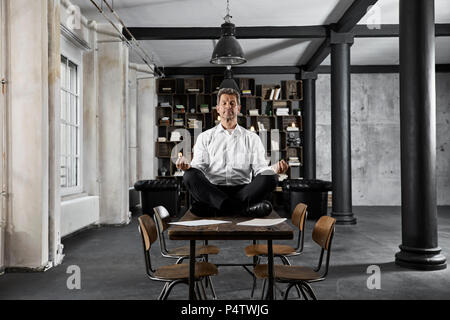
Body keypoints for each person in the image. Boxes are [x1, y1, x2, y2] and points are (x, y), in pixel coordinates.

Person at [176, 87, 289, 217]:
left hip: (245, 191)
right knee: (189, 175)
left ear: (238, 108)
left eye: (232, 103)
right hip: (214, 190)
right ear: (218, 108)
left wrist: (275, 168)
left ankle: (217, 209)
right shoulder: (205, 137)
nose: (228, 106)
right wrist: (187, 166)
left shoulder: (252, 138)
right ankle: (242, 210)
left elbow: (260, 170)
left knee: (271, 176)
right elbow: (198, 168)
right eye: (224, 103)